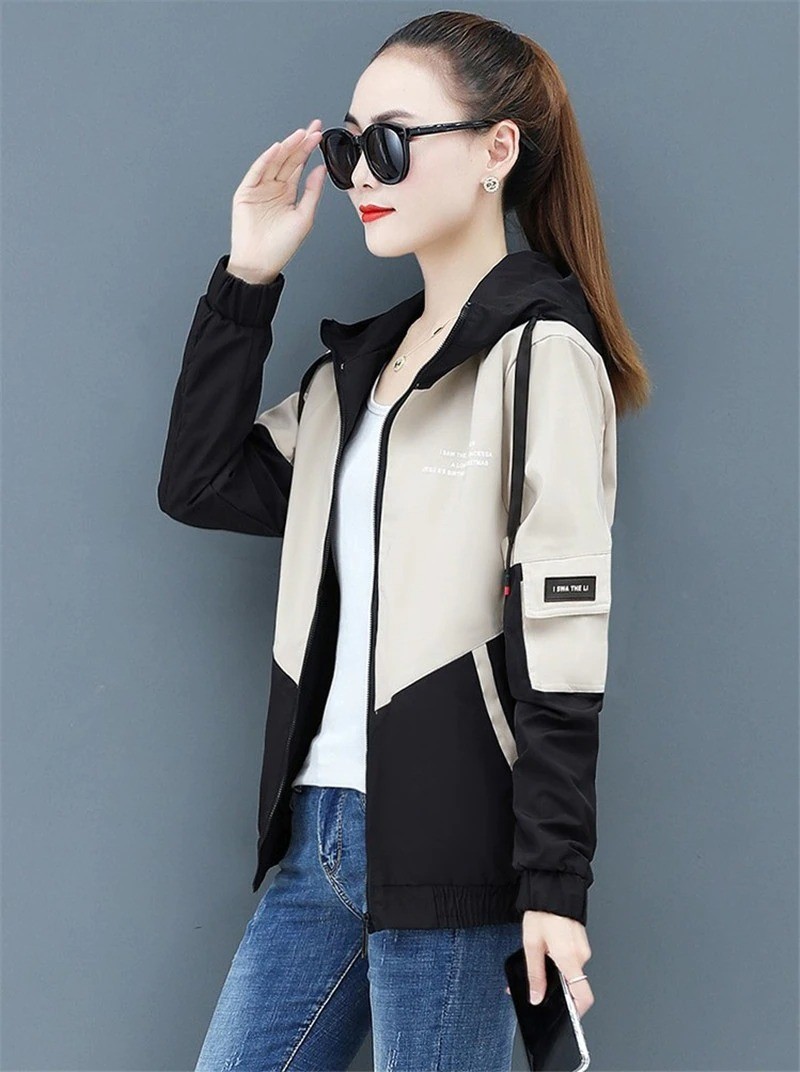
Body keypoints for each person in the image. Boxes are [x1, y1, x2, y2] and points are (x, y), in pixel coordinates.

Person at [157, 10, 650, 1071]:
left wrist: (553, 884)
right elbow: (199, 483)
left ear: (496, 149)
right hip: (317, 836)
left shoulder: (540, 355)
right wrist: (248, 278)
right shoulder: (357, 375)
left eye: (388, 142)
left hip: (453, 842)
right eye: (347, 147)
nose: (357, 176)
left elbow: (563, 635)